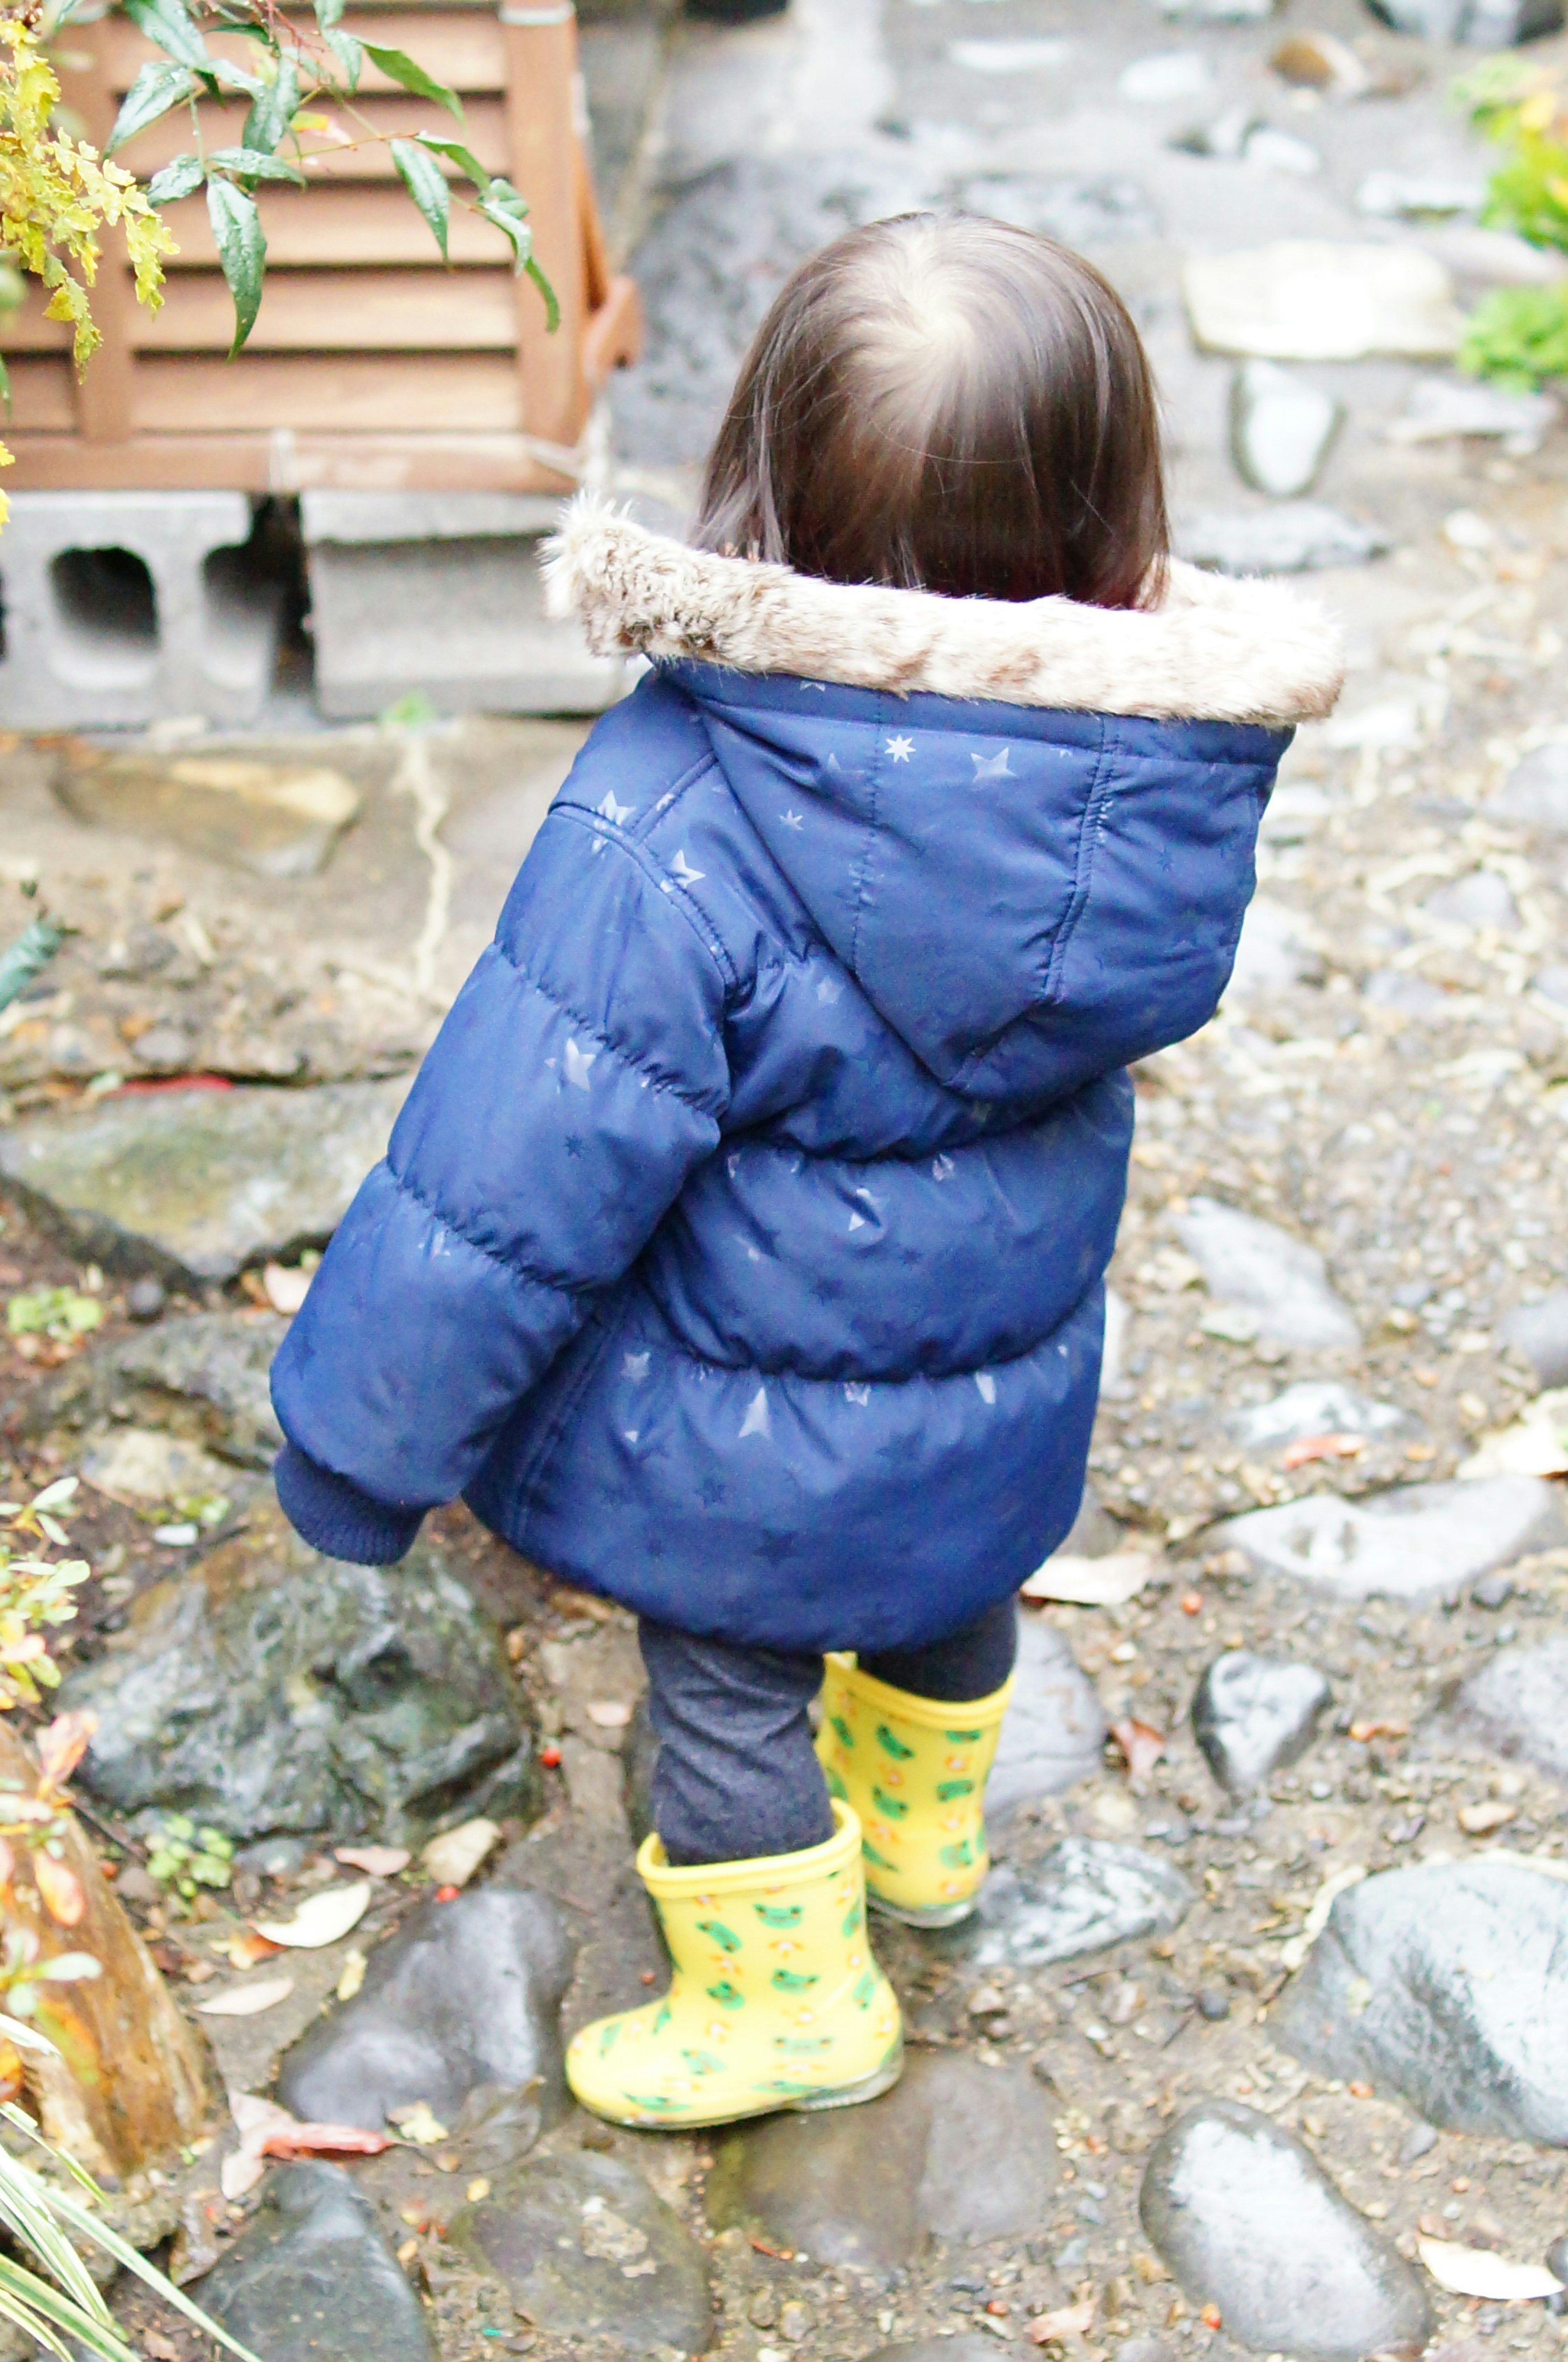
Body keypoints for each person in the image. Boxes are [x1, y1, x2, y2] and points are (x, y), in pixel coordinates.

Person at [270, 213, 1343, 2131]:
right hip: (996, 1369)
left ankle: (784, 2000)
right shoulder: (1150, 786)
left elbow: (498, 1183)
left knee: (732, 1681)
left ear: (755, 484)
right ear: (1115, 510)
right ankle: (923, 1848)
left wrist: (359, 1444)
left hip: (734, 1430)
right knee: (948, 1570)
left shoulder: (677, 805)